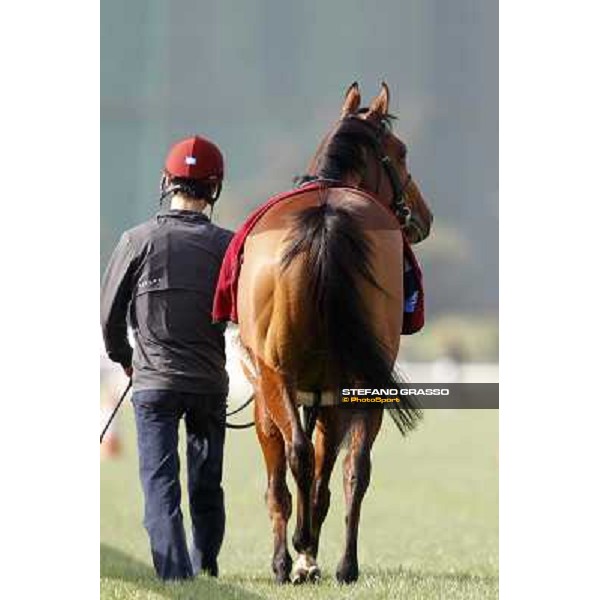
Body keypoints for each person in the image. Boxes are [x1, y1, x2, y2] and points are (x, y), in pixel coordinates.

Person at [100, 135, 234, 580]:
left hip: (153, 382)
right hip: (209, 383)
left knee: (160, 484)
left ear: (166, 181)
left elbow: (109, 315)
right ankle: (205, 563)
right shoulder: (231, 246)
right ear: (214, 188)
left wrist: (124, 357)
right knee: (206, 480)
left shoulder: (136, 239)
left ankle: (176, 576)